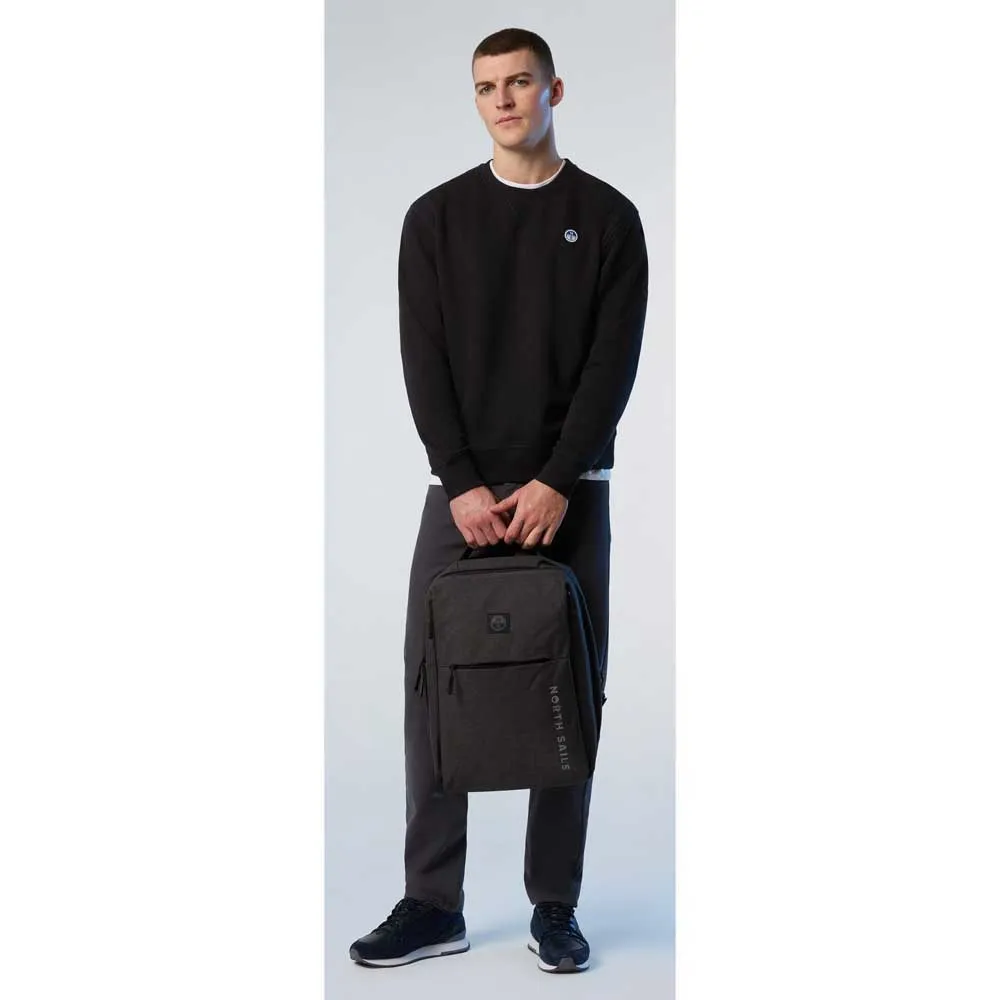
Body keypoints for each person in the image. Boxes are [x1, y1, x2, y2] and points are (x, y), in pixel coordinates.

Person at [348, 26, 648, 974]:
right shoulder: (434, 220)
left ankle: (554, 904)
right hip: (462, 497)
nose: (505, 100)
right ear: (476, 100)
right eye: (487, 88)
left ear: (555, 90)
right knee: (432, 687)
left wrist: (558, 479)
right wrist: (462, 481)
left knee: (569, 689)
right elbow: (423, 359)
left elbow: (611, 366)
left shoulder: (608, 218)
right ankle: (432, 903)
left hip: (572, 494)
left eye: (520, 82)